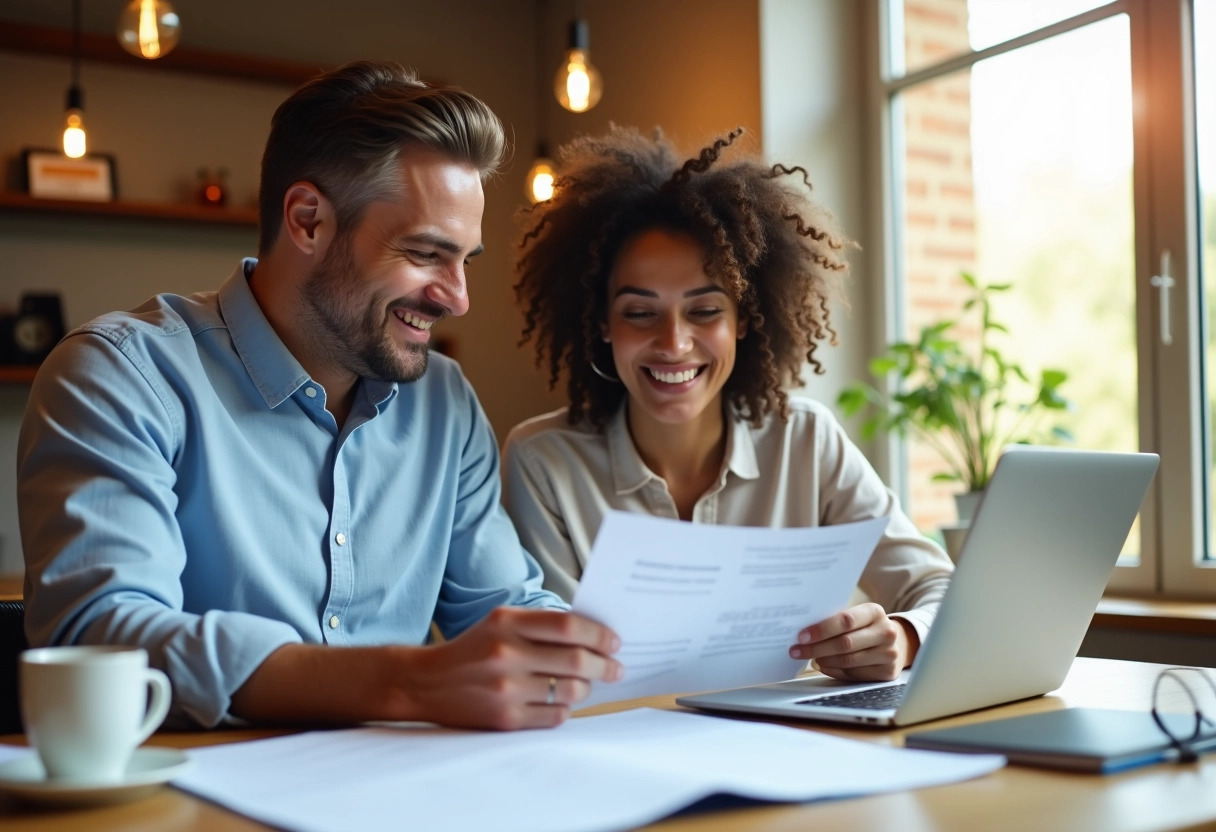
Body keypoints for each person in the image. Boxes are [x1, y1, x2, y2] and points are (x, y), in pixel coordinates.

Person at [17, 60, 621, 731]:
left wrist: (609, 647)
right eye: (426, 253)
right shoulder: (121, 376)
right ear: (308, 221)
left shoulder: (445, 404)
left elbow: (506, 605)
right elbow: (102, 635)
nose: (457, 297)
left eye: (464, 260)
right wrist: (406, 682)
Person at [503, 126, 953, 683]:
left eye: (705, 311)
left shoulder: (805, 439)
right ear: (601, 324)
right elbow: (560, 664)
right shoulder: (544, 461)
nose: (673, 343)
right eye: (640, 313)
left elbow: (940, 587)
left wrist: (903, 637)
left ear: (745, 320)